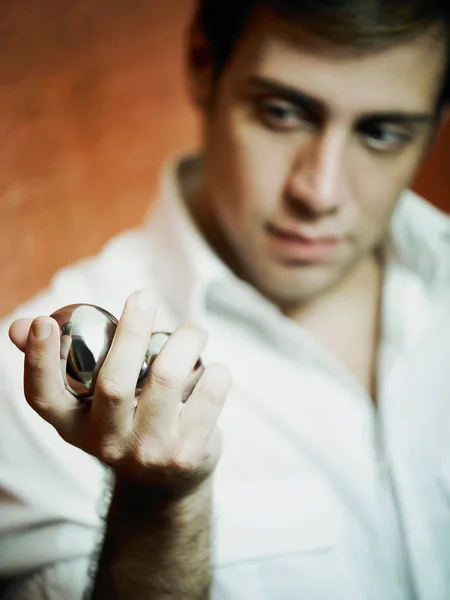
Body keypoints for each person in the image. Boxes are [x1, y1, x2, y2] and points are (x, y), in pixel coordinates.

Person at [1, 0, 450, 598]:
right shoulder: (25, 390)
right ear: (202, 66)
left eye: (382, 132)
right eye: (282, 113)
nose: (320, 192)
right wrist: (157, 508)